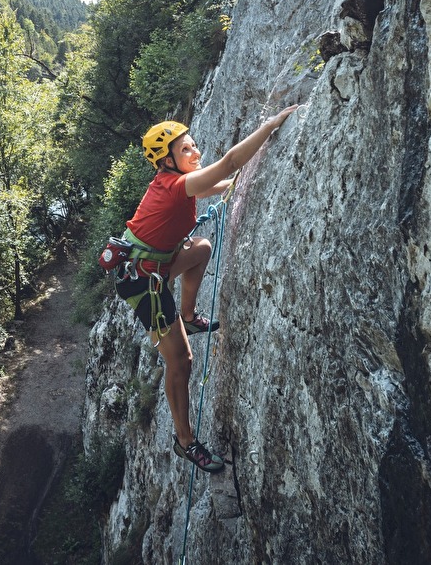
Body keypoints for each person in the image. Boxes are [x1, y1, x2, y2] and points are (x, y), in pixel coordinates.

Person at [115, 106, 298, 473]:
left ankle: (187, 316)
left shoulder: (179, 182)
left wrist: (245, 177)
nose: (196, 153)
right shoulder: (173, 186)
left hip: (156, 264)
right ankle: (185, 441)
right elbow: (229, 163)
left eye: (194, 146)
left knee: (201, 248)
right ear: (167, 161)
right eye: (186, 150)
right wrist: (269, 127)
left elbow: (222, 181)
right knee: (181, 360)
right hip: (143, 283)